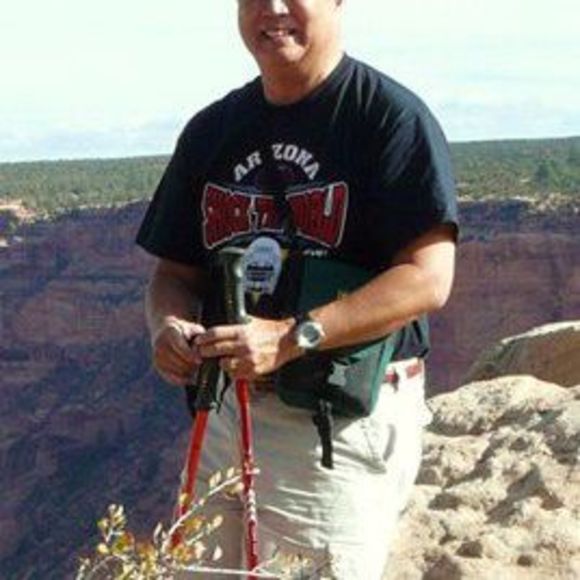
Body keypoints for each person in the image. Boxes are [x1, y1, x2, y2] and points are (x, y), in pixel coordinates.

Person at [136, 0, 458, 577]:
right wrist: (168, 326)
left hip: (334, 423)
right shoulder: (213, 130)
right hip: (225, 415)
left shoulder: (388, 119)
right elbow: (175, 274)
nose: (273, 8)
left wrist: (292, 336)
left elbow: (427, 278)